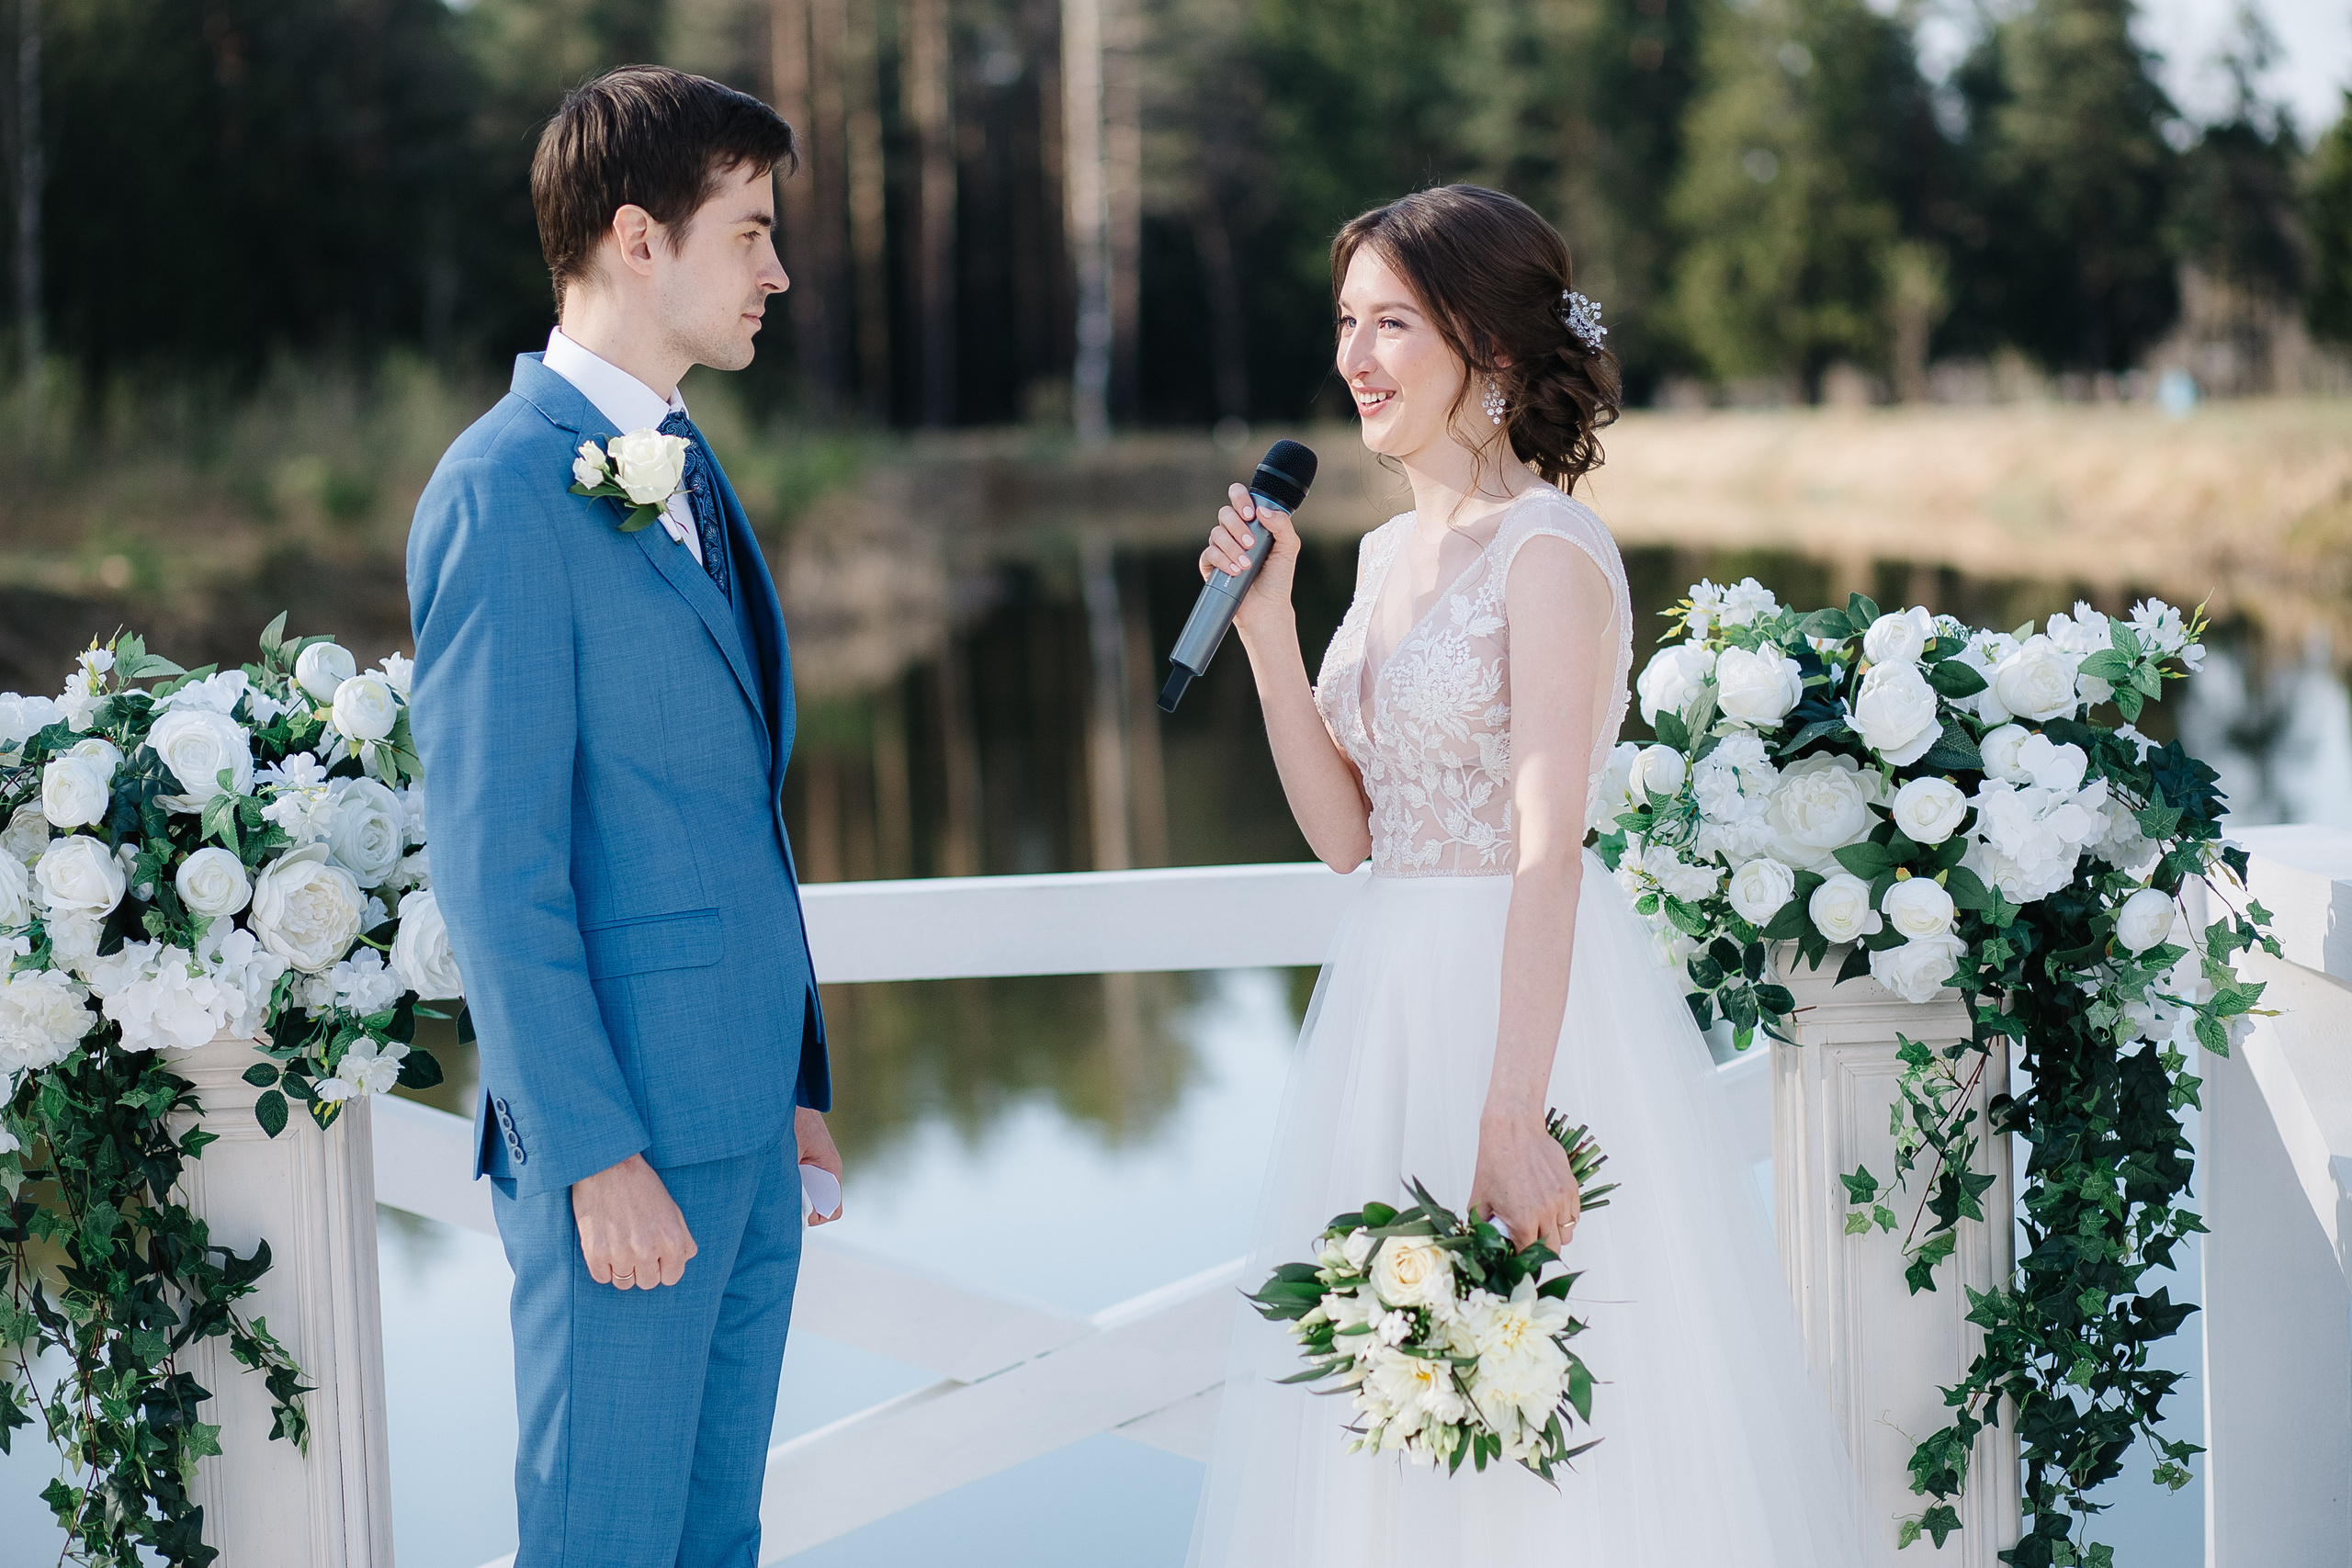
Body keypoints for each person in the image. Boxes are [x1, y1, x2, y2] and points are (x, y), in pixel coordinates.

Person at [1184, 185, 1868, 1565]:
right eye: (1345, 323)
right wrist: (1268, 631)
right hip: (1389, 1016)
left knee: (1556, 1428)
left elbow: (1549, 844)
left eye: (1391, 323)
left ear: (1489, 349)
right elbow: (1349, 836)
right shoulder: (1380, 559)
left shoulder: (1553, 554)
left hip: (1526, 1021)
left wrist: (1513, 1115)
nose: (1354, 359)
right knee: (1391, 1427)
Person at [406, 65, 842, 1568]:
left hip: (743, 1128)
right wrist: (590, 1151)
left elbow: (722, 806)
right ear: (639, 239)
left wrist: (796, 1074)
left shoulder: (691, 463)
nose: (778, 270)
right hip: (627, 1154)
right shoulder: (500, 491)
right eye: (752, 233)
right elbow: (494, 865)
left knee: (713, 1543)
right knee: (601, 1542)